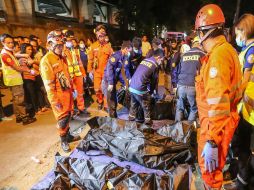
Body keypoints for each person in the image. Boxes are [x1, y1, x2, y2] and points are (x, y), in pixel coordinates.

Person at [195, 4, 242, 189]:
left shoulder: (218, 56)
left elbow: (217, 103)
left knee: (210, 175)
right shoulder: (227, 51)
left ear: (203, 32)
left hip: (215, 128)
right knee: (213, 172)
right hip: (219, 124)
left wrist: (212, 141)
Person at [40, 30, 80, 152]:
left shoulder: (61, 57)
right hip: (58, 96)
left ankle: (68, 136)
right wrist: (54, 100)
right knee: (62, 119)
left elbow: (66, 75)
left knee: (68, 116)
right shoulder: (46, 60)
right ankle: (63, 141)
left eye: (61, 45)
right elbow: (49, 85)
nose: (59, 47)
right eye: (57, 45)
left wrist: (72, 89)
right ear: (50, 45)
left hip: (67, 93)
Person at [229, 13, 254, 190]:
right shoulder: (247, 50)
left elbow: (245, 81)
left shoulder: (251, 51)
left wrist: (231, 97)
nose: (237, 37)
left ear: (244, 31)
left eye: (238, 32)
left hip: (249, 109)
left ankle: (242, 182)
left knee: (243, 147)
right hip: (247, 108)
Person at [0, 34, 36, 125]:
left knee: (16, 99)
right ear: (2, 43)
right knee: (20, 100)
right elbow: (16, 67)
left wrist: (19, 60)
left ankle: (19, 117)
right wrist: (29, 70)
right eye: (8, 43)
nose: (11, 44)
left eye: (12, 42)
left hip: (13, 79)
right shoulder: (5, 54)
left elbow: (15, 62)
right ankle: (24, 118)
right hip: (14, 80)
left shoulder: (9, 51)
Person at [128, 49, 164, 125]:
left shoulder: (145, 60)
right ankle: (148, 124)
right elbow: (154, 81)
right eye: (161, 59)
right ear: (158, 57)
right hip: (139, 88)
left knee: (133, 105)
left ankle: (130, 123)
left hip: (131, 86)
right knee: (146, 105)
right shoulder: (155, 65)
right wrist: (150, 92)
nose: (161, 61)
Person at [175, 36, 205, 123]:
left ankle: (177, 128)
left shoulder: (185, 54)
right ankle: (188, 129)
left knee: (180, 107)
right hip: (193, 85)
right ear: (200, 44)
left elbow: (178, 70)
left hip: (181, 84)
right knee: (194, 108)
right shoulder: (202, 54)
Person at [102, 41, 132, 118]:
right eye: (129, 51)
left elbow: (121, 71)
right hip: (107, 81)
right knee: (111, 100)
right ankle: (112, 118)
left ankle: (114, 116)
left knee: (114, 100)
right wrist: (111, 83)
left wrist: (126, 82)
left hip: (113, 80)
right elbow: (109, 69)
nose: (130, 53)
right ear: (125, 49)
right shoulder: (116, 56)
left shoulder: (124, 57)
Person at [87, 25, 113, 110]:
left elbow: (112, 59)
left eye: (103, 36)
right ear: (97, 36)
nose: (102, 38)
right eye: (100, 36)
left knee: (105, 89)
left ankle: (106, 104)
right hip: (96, 71)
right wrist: (89, 71)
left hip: (106, 72)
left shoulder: (108, 46)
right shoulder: (93, 46)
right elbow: (90, 60)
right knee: (97, 89)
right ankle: (100, 100)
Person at [62, 30, 88, 116]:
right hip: (69, 75)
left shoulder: (75, 50)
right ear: (65, 39)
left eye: (72, 39)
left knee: (80, 93)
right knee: (70, 95)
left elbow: (79, 63)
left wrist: (83, 74)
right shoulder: (62, 50)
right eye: (69, 39)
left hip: (78, 74)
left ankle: (81, 108)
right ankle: (71, 111)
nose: (71, 41)